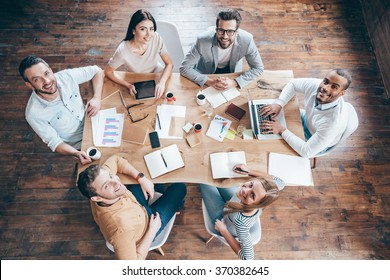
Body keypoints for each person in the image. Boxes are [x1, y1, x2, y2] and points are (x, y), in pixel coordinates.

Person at [77, 154, 187, 260]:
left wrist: (141, 179)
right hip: (148, 224)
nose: (116, 182)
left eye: (111, 175)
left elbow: (116, 160)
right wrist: (153, 230)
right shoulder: (120, 230)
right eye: (107, 186)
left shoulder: (98, 181)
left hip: (136, 205)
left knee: (147, 174)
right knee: (180, 187)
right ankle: (172, 204)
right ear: (96, 198)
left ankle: (156, 190)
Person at [18, 55, 104, 165]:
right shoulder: (33, 114)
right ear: (30, 85)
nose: (47, 81)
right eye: (36, 79)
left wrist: (97, 98)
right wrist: (77, 154)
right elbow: (55, 143)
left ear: (50, 69)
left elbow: (97, 71)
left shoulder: (66, 77)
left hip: (94, 121)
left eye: (46, 73)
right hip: (80, 146)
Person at [260, 69, 353, 158]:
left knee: (272, 147)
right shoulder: (317, 86)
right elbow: (293, 84)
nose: (325, 88)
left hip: (313, 140)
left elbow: (306, 152)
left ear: (342, 93)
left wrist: (281, 130)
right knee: (271, 115)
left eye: (334, 87)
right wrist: (279, 104)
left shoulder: (333, 123)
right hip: (307, 120)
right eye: (326, 81)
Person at [199, 164, 283, 260]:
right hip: (233, 203)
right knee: (216, 176)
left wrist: (224, 231)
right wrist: (249, 171)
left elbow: (248, 258)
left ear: (259, 204)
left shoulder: (240, 222)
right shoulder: (268, 192)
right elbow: (280, 182)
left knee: (204, 181)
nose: (244, 189)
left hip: (223, 220)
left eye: (252, 195)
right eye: (251, 185)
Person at [180, 8, 264, 91]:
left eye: (230, 31)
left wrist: (235, 82)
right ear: (216, 29)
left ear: (237, 32)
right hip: (207, 72)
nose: (225, 36)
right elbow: (184, 68)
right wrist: (209, 81)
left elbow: (258, 68)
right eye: (221, 30)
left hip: (232, 71)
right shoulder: (202, 40)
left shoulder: (247, 40)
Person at [104, 9, 173, 98]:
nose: (149, 34)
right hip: (137, 79)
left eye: (151, 29)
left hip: (157, 74)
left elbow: (169, 64)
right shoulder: (123, 50)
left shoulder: (156, 37)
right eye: (143, 29)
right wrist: (128, 85)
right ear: (133, 31)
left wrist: (162, 82)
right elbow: (108, 72)